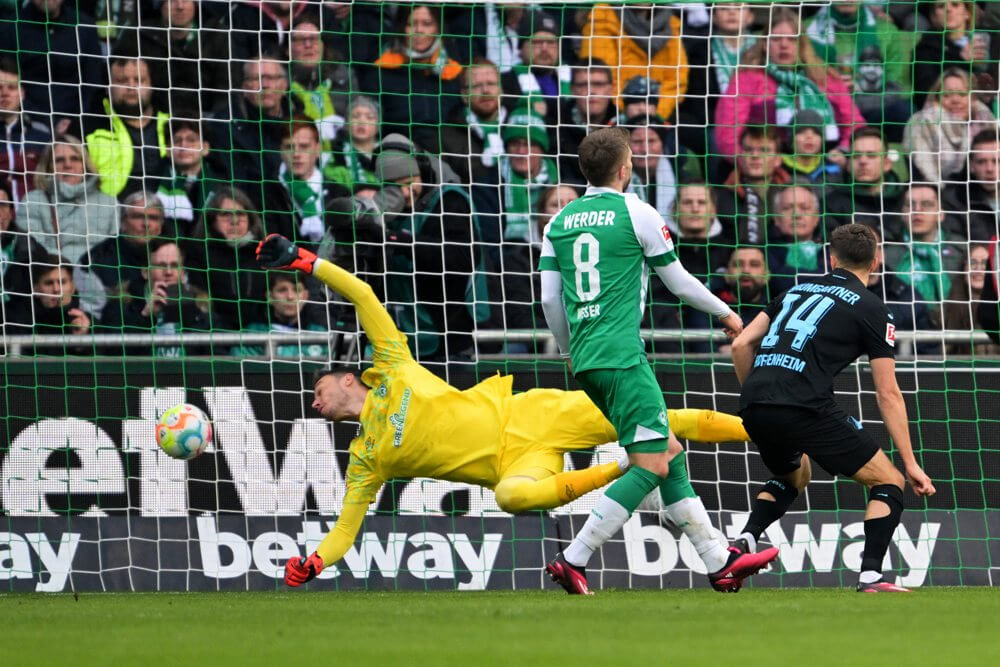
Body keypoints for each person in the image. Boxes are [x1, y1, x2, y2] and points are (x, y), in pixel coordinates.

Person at [252, 233, 753, 588]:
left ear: (348, 378)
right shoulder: (365, 458)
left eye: (317, 388)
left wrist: (304, 262)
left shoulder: (391, 363)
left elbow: (362, 293)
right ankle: (623, 466)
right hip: (513, 465)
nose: (314, 402)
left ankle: (760, 428)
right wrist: (315, 561)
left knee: (666, 419)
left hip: (529, 415)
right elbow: (345, 529)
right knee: (512, 498)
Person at [538, 127, 777, 595]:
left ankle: (719, 561)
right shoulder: (637, 212)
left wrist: (567, 350)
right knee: (650, 465)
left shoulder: (559, 221)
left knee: (669, 452)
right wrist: (728, 315)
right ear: (626, 168)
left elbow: (549, 299)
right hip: (623, 355)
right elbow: (678, 281)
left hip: (585, 358)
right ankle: (574, 557)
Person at [730, 223, 936, 592]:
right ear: (875, 263)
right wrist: (910, 462)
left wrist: (756, 398)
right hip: (804, 405)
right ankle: (871, 576)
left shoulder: (793, 291)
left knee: (795, 475)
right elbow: (887, 393)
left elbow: (741, 344)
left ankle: (743, 541)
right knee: (888, 480)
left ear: (831, 259)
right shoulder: (873, 309)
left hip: (756, 401)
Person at [714, 6, 864, 162]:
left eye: (792, 39)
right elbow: (728, 134)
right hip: (763, 165)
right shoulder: (746, 79)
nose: (784, 45)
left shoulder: (826, 78)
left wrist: (843, 151)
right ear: (765, 45)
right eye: (776, 39)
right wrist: (751, 163)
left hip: (825, 164)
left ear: (802, 44)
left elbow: (855, 124)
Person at [578, 3, 689, 123]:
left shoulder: (671, 23)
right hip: (615, 115)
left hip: (658, 116)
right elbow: (602, 77)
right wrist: (632, 112)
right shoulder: (602, 17)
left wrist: (655, 114)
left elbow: (676, 80)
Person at [21, 136, 118, 265]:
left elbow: (117, 250)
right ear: (49, 167)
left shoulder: (108, 202)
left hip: (98, 273)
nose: (68, 165)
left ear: (84, 165)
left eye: (75, 159)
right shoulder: (33, 201)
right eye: (59, 160)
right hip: (54, 272)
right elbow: (31, 249)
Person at [84, 54, 170, 199]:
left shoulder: (175, 124)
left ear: (151, 85)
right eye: (122, 81)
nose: (131, 86)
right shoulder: (86, 127)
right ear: (107, 88)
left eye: (139, 80)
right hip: (109, 209)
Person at [903, 68, 997, 184]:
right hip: (936, 190)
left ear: (973, 98)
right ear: (936, 99)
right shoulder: (922, 123)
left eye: (962, 94)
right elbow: (925, 173)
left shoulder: (985, 120)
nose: (955, 100)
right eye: (947, 95)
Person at [0, 55, 51, 203]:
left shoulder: (42, 136)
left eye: (11, 87)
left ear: (22, 94)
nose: (5, 93)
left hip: (36, 214)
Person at [944, 129, 1000, 242]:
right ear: (971, 166)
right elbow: (953, 241)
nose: (989, 169)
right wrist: (974, 249)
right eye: (981, 162)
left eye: (997, 161)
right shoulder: (954, 199)